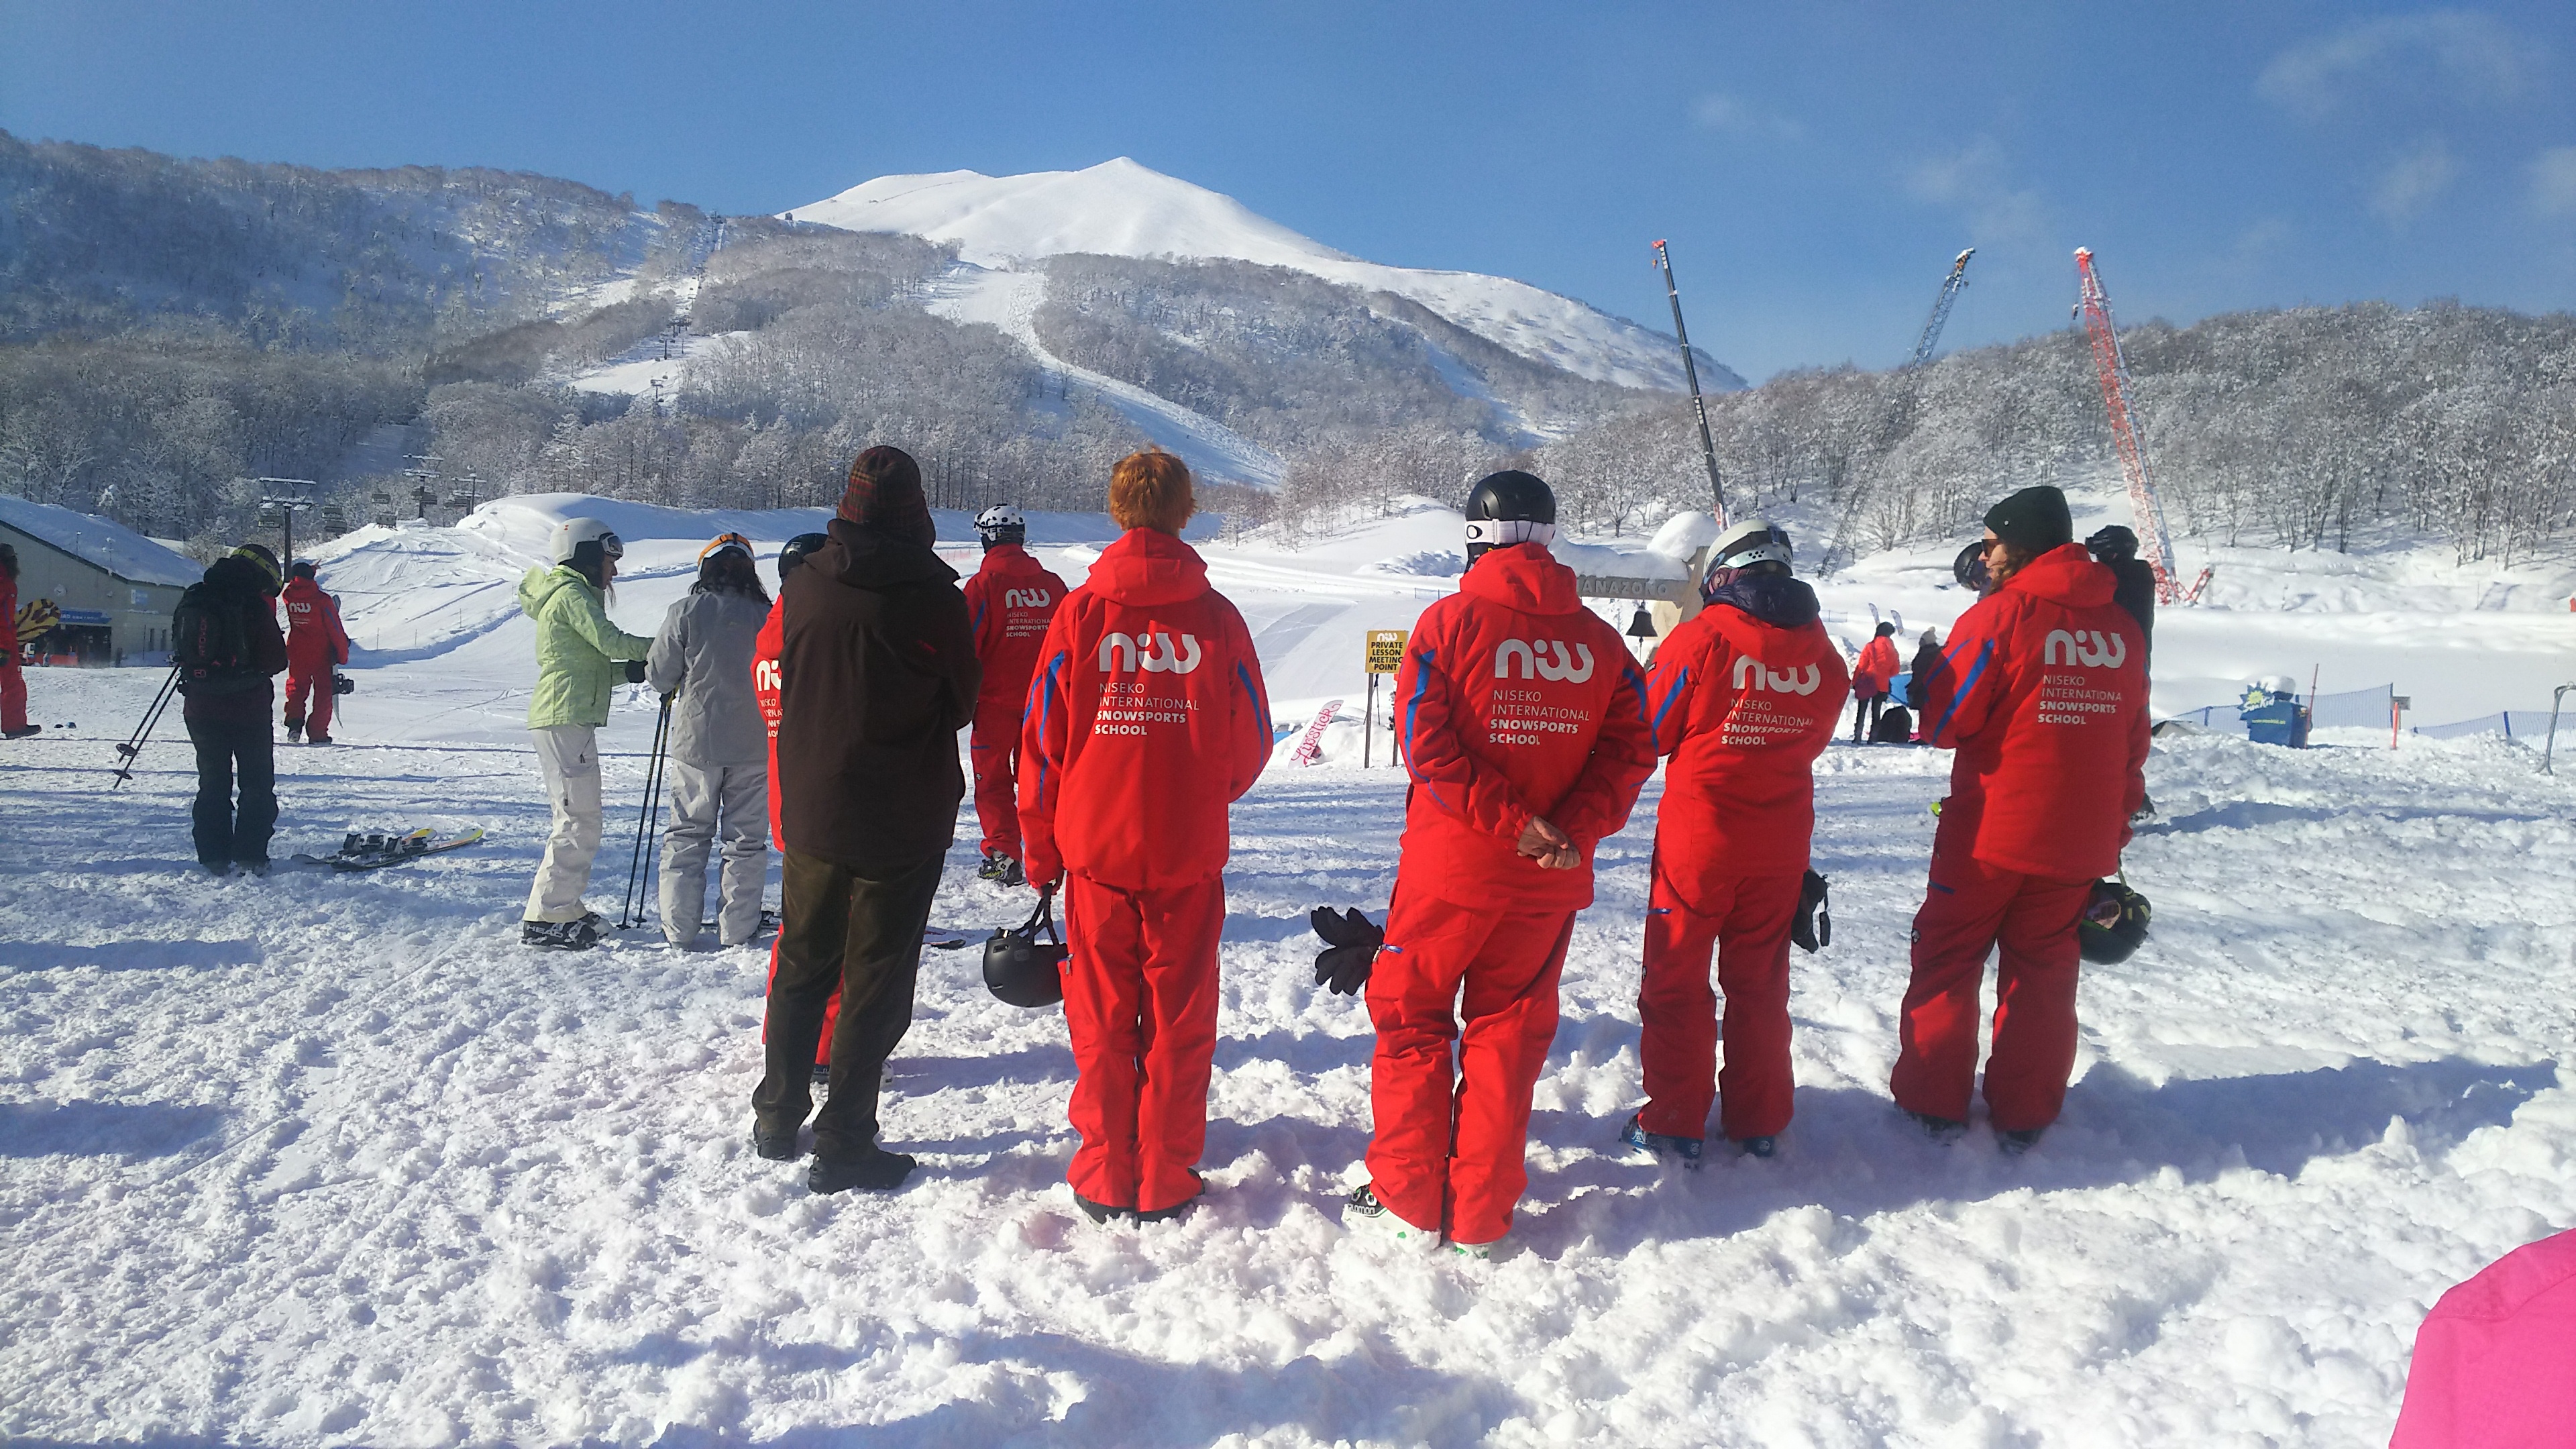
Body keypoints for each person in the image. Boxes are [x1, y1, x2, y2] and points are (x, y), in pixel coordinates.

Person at [1350, 470, 1656, 1257]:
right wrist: (1567, 829)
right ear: (1550, 538)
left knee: (1413, 1021)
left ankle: (1408, 1196)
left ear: (1475, 538)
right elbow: (1632, 751)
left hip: (1453, 871)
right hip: (1545, 880)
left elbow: (1428, 749)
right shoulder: (1601, 643)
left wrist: (1515, 825)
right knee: (1507, 1036)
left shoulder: (1446, 625)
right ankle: (1480, 1214)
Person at [1018, 449, 1271, 1226]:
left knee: (1100, 1020)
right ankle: (1165, 1175)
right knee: (1179, 1021)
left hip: (1095, 852)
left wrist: (1041, 845)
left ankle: (1103, 1170)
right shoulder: (1217, 617)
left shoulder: (1082, 612)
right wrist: (1199, 793)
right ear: (1186, 511)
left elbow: (1041, 740)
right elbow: (1254, 735)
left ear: (1118, 510)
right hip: (1185, 854)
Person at [1892, 484, 2149, 1150]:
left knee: (1948, 959)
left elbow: (1948, 724)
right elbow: (2132, 743)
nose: (1985, 553)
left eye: (1992, 541)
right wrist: (2114, 829)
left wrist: (1933, 677)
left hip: (1991, 832)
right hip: (2079, 842)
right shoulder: (2120, 629)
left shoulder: (2000, 616)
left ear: (2022, 543)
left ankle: (1933, 1102)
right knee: (2045, 974)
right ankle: (2026, 1111)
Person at [756, 446, 979, 1195]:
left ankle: (777, 1115)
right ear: (916, 510)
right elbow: (962, 704)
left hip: (814, 805)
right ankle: (845, 1138)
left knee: (802, 961)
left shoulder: (805, 583)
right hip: (900, 814)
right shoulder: (935, 598)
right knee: (873, 976)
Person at [1625, 519, 1848, 1164]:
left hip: (1701, 843)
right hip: (1780, 844)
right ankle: (1760, 1119)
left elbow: (1650, 730)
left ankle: (1673, 1119)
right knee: (1760, 985)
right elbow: (1816, 731)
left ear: (1725, 575)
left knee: (1676, 983)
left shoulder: (1702, 639)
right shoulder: (1821, 651)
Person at [517, 518, 653, 951]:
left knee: (581, 816)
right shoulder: (572, 594)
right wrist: (667, 645)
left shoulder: (570, 595)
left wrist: (630, 672)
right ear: (586, 555)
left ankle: (563, 905)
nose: (613, 570)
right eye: (609, 559)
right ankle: (548, 915)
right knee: (578, 818)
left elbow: (588, 665)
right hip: (564, 718)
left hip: (567, 715)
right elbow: (610, 641)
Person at [648, 533, 772, 950]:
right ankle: (737, 928)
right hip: (755, 744)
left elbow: (660, 674)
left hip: (697, 741)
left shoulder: (685, 611)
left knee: (686, 833)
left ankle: (678, 928)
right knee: (746, 840)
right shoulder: (768, 615)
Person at [753, 532, 833, 1070]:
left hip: (787, 799)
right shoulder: (812, 634)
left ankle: (780, 1035)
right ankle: (822, 1050)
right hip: (823, 801)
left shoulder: (770, 635)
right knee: (833, 932)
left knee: (799, 928)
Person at [962, 504, 1067, 885]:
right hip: (1046, 704)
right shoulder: (1053, 585)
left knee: (992, 781)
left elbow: (966, 647)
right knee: (1042, 779)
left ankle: (1004, 854)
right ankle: (1052, 851)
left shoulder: (982, 586)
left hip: (994, 705)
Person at [174, 545, 290, 873]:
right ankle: (251, 854)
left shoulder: (196, 596)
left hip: (200, 706)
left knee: (212, 781)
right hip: (247, 707)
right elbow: (275, 660)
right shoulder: (253, 604)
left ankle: (213, 855)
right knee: (255, 783)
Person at [279, 560, 351, 745]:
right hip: (321, 653)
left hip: (297, 650)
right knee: (324, 694)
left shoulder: (288, 595)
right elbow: (334, 628)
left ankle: (294, 725)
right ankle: (318, 733)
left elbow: (301, 578)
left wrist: (310, 569)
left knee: (296, 688)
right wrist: (342, 654)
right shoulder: (321, 600)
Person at [1, 542, 35, 740]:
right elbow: (3, 619)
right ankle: (14, 726)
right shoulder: (6, 583)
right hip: (3, 641)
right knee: (12, 685)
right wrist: (6, 646)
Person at [1850, 621, 1900, 743]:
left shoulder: (1870, 646)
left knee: (1861, 711)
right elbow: (1896, 671)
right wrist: (1884, 675)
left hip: (1867, 682)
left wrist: (1855, 681)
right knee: (1876, 713)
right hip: (1882, 685)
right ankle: (1873, 738)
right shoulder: (1893, 650)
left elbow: (1861, 666)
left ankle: (1857, 737)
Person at [1908, 627, 1943, 741]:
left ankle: (1926, 736)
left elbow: (1919, 673)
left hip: (1923, 688)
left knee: (1925, 714)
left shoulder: (1925, 654)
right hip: (1936, 687)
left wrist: (1912, 688)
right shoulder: (1938, 652)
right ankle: (1932, 735)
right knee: (1933, 714)